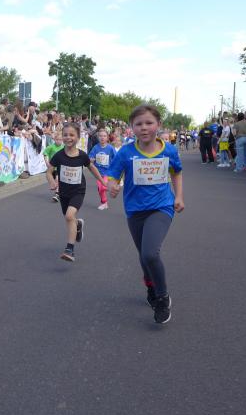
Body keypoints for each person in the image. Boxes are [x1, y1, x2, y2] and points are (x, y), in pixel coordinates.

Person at [105, 104, 184, 325]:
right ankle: (150, 287)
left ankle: (162, 297)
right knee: (143, 256)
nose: (144, 127)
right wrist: (112, 186)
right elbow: (113, 176)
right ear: (132, 127)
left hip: (161, 207)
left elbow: (177, 172)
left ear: (158, 124)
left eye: (149, 123)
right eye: (138, 124)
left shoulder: (168, 150)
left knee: (150, 253)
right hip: (135, 210)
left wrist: (179, 196)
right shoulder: (126, 152)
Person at [47, 123, 106, 262]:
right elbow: (49, 171)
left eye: (72, 135)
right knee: (69, 218)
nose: (68, 137)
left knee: (69, 216)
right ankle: (78, 225)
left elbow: (92, 168)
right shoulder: (58, 156)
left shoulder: (82, 156)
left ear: (78, 137)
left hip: (78, 191)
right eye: (65, 135)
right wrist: (52, 181)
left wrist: (103, 182)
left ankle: (70, 249)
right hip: (64, 192)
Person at [88, 128, 116, 210]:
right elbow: (90, 157)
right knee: (100, 189)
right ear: (98, 137)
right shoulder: (95, 148)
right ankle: (104, 203)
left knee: (103, 187)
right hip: (98, 172)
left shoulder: (110, 148)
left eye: (104, 136)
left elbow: (116, 158)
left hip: (108, 172)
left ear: (107, 137)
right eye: (100, 136)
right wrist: (91, 159)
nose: (102, 138)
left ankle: (109, 187)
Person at [43, 131, 65, 202]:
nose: (59, 141)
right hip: (52, 167)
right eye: (57, 139)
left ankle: (57, 194)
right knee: (55, 180)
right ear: (54, 139)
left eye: (60, 140)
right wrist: (47, 162)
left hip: (60, 167)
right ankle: (58, 190)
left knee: (57, 180)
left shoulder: (64, 147)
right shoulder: (51, 147)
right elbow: (45, 154)